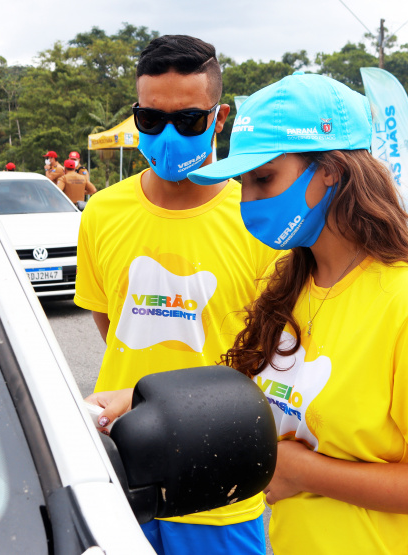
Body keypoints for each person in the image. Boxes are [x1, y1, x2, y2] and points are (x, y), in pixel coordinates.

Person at [187, 72, 408, 554]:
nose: (248, 202)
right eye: (242, 184)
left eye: (264, 179)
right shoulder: (291, 286)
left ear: (332, 170)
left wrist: (303, 471)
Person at [76, 35, 278, 555]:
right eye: (151, 119)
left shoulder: (255, 215)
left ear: (219, 116)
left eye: (187, 120)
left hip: (219, 477)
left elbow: (272, 349)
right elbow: (109, 321)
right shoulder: (102, 212)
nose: (168, 135)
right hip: (121, 467)